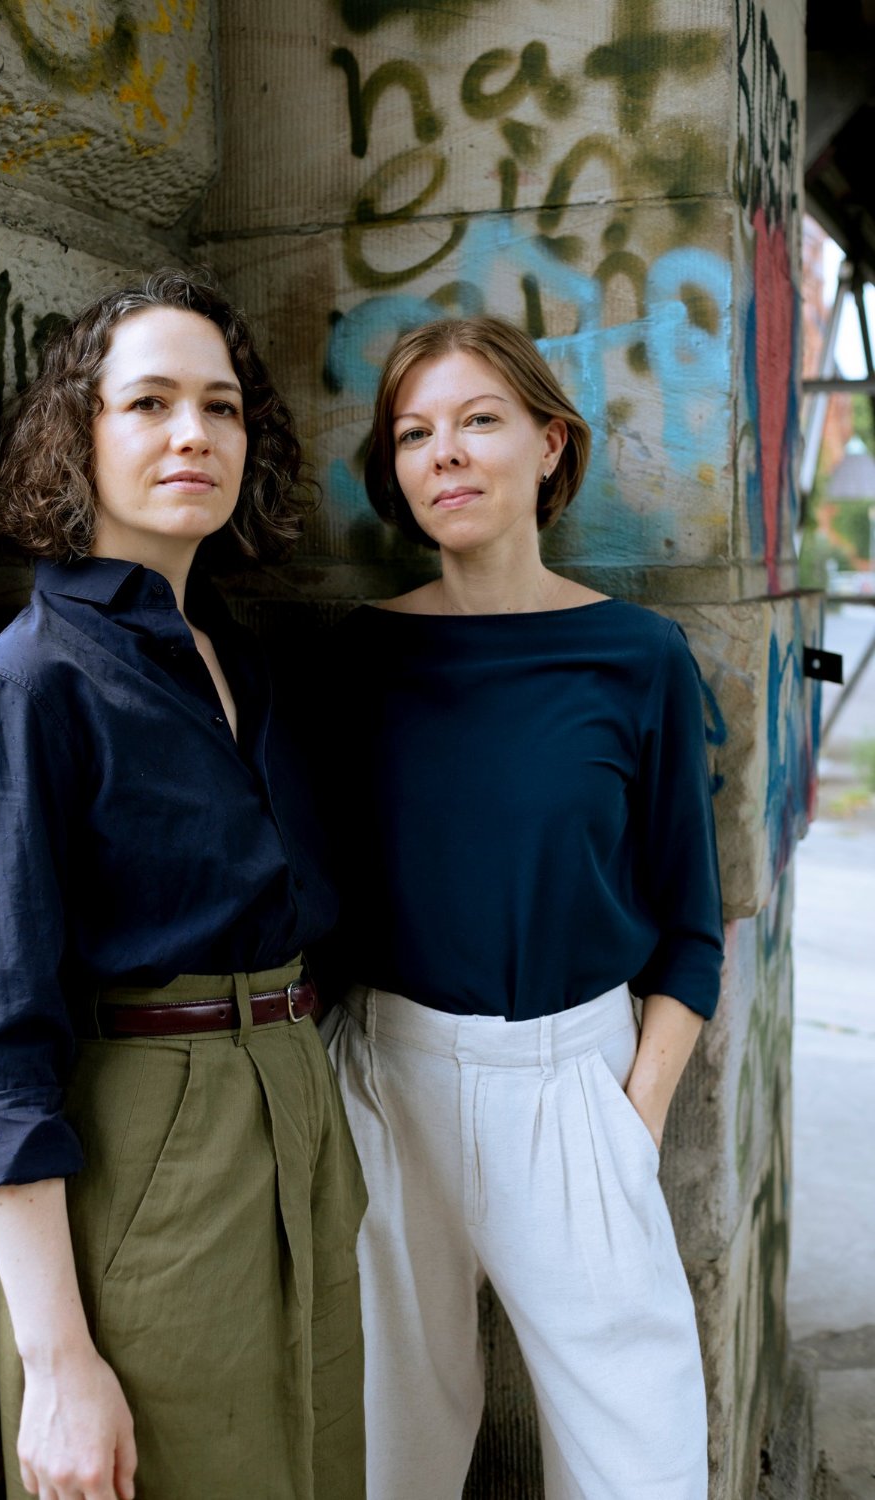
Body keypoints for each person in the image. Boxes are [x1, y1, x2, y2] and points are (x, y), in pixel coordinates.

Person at [0, 270, 366, 1500]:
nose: (192, 435)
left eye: (220, 408)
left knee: (317, 1467)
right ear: (77, 437)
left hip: (297, 1121)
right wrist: (56, 1363)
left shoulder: (237, 664)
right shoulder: (19, 692)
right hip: (150, 1151)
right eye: (148, 402)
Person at [320, 315, 723, 1500]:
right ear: (395, 472)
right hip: (387, 1083)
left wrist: (631, 1118)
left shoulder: (639, 657)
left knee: (639, 1464)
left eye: (478, 420)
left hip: (576, 1090)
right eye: (414, 432)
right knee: (381, 1460)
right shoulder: (351, 663)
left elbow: (690, 928)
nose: (444, 452)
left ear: (550, 445)